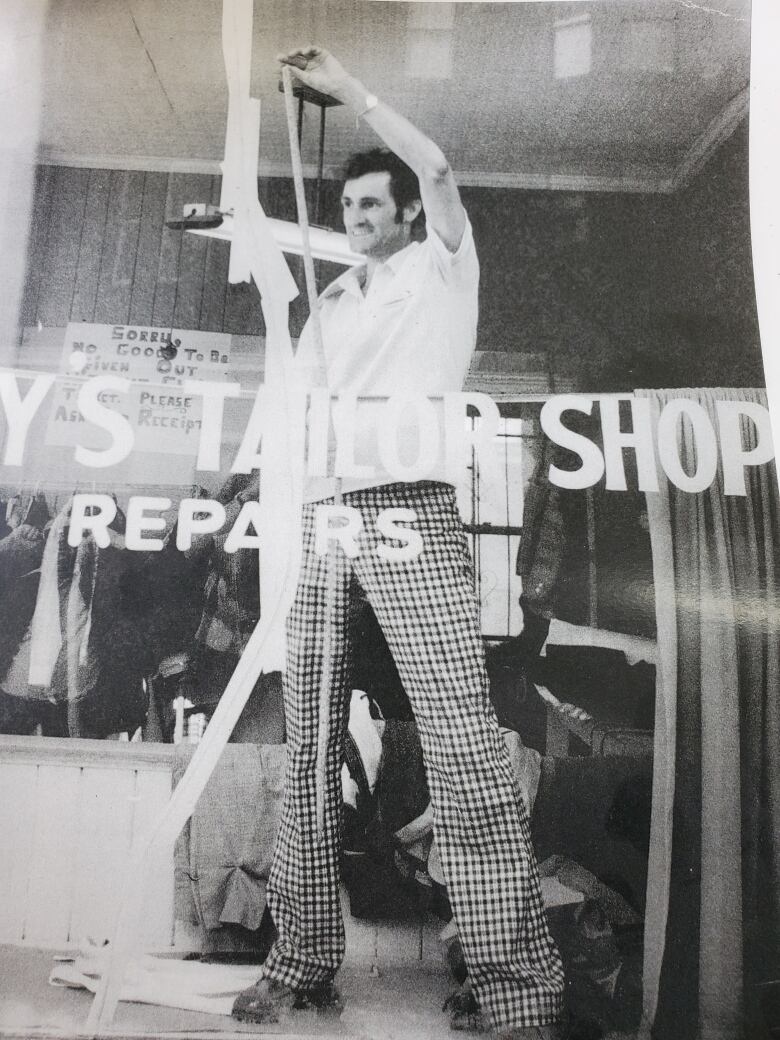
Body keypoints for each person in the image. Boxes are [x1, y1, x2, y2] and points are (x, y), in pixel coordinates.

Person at [232, 46, 565, 1040]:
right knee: (308, 751)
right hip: (329, 515)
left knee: (465, 757)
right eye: (352, 211)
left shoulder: (440, 264)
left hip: (413, 511)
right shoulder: (331, 304)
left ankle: (519, 990)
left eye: (376, 207)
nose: (362, 221)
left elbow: (443, 170)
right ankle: (300, 963)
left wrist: (352, 92)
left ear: (408, 213)